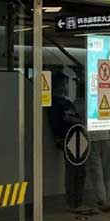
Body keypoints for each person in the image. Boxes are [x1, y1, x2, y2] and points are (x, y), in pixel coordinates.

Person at [48, 72, 87, 213]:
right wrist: (75, 121)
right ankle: (73, 202)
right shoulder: (55, 104)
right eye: (65, 84)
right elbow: (63, 121)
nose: (66, 87)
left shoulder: (67, 103)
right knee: (73, 171)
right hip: (69, 139)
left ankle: (78, 200)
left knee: (80, 171)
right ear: (59, 85)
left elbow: (76, 119)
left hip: (78, 138)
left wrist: (75, 121)